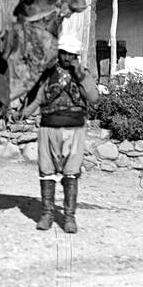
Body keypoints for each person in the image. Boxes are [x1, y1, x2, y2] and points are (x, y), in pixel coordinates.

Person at [22, 29, 100, 234]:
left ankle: (69, 217)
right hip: (49, 127)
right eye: (63, 52)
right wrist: (24, 112)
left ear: (76, 56)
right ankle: (47, 214)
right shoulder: (48, 75)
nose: (66, 57)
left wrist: (80, 75)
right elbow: (38, 98)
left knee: (71, 174)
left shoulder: (83, 74)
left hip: (74, 129)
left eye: (70, 54)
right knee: (46, 172)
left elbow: (92, 97)